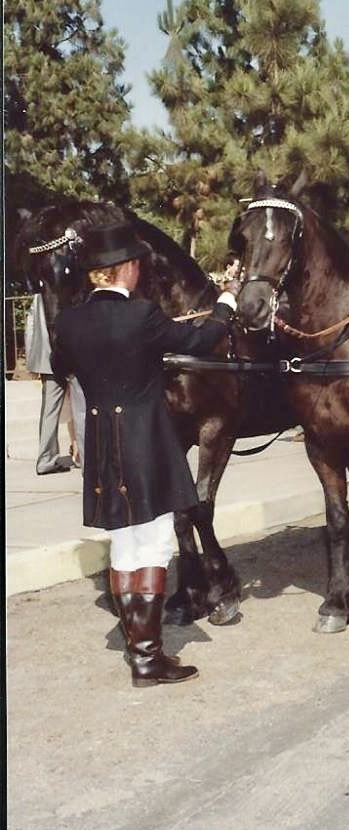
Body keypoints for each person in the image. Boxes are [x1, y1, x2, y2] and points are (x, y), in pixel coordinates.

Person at [51, 218, 240, 688]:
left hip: (101, 447)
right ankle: (149, 659)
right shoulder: (143, 315)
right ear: (127, 268)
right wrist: (225, 304)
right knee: (153, 544)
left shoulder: (70, 321)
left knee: (123, 545)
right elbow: (198, 340)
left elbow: (60, 367)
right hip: (147, 443)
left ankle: (140, 651)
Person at [25, 292, 86, 474]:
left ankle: (46, 459)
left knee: (49, 412)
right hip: (72, 358)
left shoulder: (38, 299)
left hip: (47, 359)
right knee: (81, 409)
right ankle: (86, 460)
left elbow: (31, 330)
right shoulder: (69, 292)